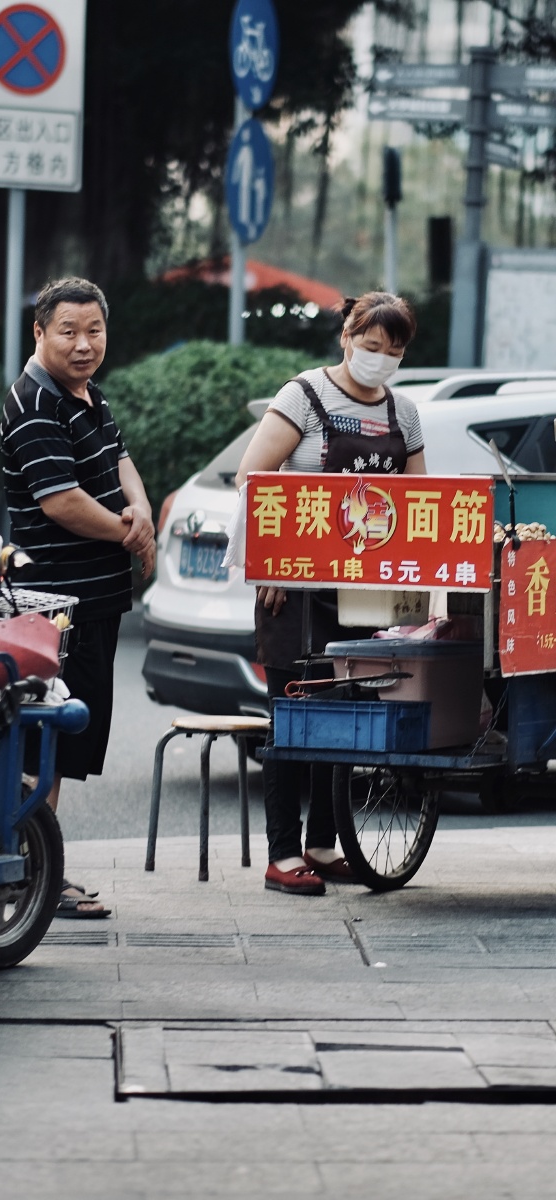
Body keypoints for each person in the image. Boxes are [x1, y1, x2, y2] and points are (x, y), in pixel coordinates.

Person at [235, 291, 426, 896]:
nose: (381, 360)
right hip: (292, 586)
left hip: (365, 593)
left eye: (393, 351)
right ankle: (283, 854)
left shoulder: (405, 413)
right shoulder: (304, 396)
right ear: (346, 337)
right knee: (291, 715)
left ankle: (322, 843)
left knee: (345, 718)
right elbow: (254, 478)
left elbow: (420, 501)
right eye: (371, 347)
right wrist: (270, 569)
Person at [1, 277, 156, 918]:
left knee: (62, 743)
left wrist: (142, 509)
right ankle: (28, 871)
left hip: (92, 600)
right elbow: (59, 502)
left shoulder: (85, 394)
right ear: (39, 333)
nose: (84, 344)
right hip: (55, 604)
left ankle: (32, 867)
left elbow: (118, 459)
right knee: (47, 740)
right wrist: (129, 532)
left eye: (94, 330)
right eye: (68, 331)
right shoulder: (36, 401)